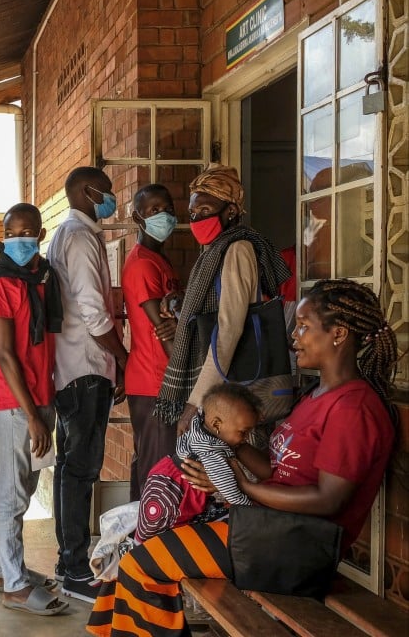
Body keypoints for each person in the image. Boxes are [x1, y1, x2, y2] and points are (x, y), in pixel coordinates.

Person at [87, 278, 398, 636]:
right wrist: (225, 445)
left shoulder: (353, 408)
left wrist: (237, 486)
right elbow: (275, 471)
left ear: (339, 334)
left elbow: (327, 500)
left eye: (304, 326)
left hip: (291, 546)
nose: (293, 336)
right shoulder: (316, 394)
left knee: (142, 563)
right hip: (263, 526)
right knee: (136, 547)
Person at [0, 203, 68, 616]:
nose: (20, 239)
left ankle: (3, 571)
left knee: (25, 489)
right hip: (16, 405)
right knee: (12, 495)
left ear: (41, 234)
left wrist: (44, 406)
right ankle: (14, 586)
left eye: (27, 232)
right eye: (12, 233)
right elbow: (6, 356)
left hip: (41, 398)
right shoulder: (1, 285)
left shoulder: (43, 280)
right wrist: (31, 415)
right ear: (3, 238)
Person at [154, 166, 290, 439]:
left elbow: (228, 329)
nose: (197, 219)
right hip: (224, 386)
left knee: (230, 469)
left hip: (234, 389)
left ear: (231, 211)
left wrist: (195, 402)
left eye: (205, 210)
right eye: (193, 213)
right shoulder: (213, 252)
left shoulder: (238, 248)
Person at [46, 166, 129, 602]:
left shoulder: (73, 235)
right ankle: (75, 566)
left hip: (79, 367)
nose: (110, 198)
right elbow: (95, 314)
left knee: (72, 469)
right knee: (79, 470)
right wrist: (123, 357)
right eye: (107, 192)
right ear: (85, 190)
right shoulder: (78, 237)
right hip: (85, 367)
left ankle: (69, 561)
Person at [134, 383, 259, 543]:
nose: (246, 438)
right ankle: (144, 553)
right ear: (216, 424)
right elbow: (229, 490)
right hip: (178, 494)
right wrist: (252, 510)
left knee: (151, 523)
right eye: (243, 432)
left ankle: (139, 546)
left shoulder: (199, 422)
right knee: (161, 534)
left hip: (165, 473)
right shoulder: (212, 453)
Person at [122, 184, 181, 499]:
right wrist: (184, 379)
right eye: (154, 210)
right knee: (157, 472)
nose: (164, 215)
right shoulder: (144, 264)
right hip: (155, 381)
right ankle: (147, 543)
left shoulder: (159, 259)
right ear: (137, 217)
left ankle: (141, 542)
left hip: (158, 379)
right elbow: (163, 329)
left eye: (168, 208)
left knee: (154, 466)